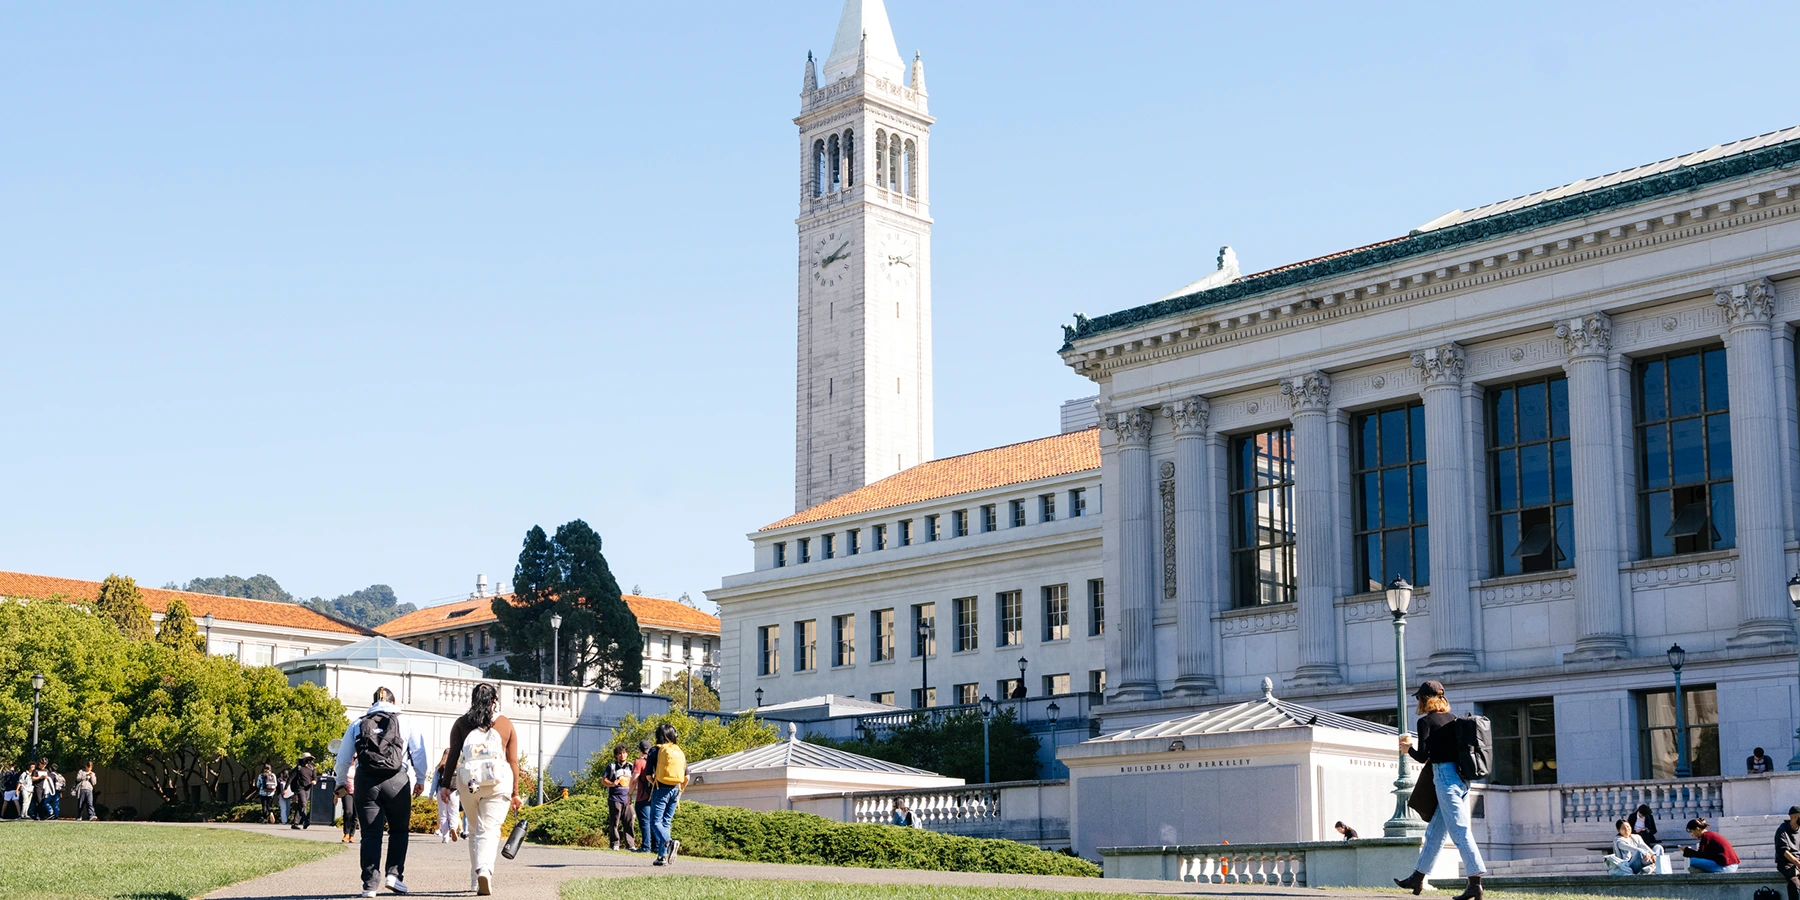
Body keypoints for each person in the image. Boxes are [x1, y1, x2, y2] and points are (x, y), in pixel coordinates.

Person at [1394, 681, 1487, 900]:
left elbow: (1424, 756)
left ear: (1425, 699)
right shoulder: (1454, 720)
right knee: (1435, 832)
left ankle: (1475, 881)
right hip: (1462, 778)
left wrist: (1408, 750)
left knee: (1460, 831)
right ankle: (1417, 877)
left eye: (1418, 698)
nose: (1417, 702)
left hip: (1444, 777)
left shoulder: (1425, 722)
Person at [334, 686, 431, 898]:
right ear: (394, 703)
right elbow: (419, 751)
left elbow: (342, 758)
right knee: (398, 830)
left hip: (366, 781)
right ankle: (394, 876)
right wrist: (421, 779)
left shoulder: (358, 723)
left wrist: (341, 781)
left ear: (372, 703)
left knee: (370, 834)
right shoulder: (405, 721)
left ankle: (369, 885)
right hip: (396, 780)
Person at [442, 683, 521, 896]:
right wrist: (515, 792)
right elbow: (513, 761)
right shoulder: (505, 723)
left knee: (475, 830)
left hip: (470, 783)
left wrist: (445, 785)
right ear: (495, 700)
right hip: (498, 782)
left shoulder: (461, 723)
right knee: (490, 829)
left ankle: (475, 879)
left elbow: (452, 756)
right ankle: (485, 869)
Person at [647, 723, 689, 866]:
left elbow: (647, 775)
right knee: (666, 822)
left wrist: (655, 783)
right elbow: (687, 776)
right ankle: (661, 857)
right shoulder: (679, 751)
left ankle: (669, 842)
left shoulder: (655, 751)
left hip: (661, 789)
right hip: (676, 790)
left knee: (655, 821)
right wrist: (680, 789)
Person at [602, 745, 638, 850]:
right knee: (614, 822)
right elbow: (604, 780)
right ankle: (615, 843)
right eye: (620, 753)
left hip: (627, 798)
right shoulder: (611, 766)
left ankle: (630, 844)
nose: (622, 755)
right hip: (615, 797)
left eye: (624, 753)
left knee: (629, 821)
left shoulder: (631, 766)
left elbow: (635, 780)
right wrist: (613, 783)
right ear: (616, 755)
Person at [431, 749, 461, 844]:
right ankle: (453, 827)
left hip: (441, 792)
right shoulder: (458, 767)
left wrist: (431, 795)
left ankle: (445, 838)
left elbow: (434, 782)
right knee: (454, 813)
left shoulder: (439, 768)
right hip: (454, 792)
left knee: (443, 815)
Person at [632, 739, 655, 852]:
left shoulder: (639, 762)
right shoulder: (654, 761)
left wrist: (629, 794)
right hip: (655, 796)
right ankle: (656, 847)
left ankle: (646, 847)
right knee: (654, 822)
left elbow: (634, 780)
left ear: (640, 750)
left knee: (645, 822)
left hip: (643, 797)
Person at [287, 753, 317, 829]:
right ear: (303, 759)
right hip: (300, 788)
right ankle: (306, 820)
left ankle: (295, 824)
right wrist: (285, 788)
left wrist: (314, 781)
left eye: (309, 758)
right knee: (303, 804)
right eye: (306, 758)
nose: (308, 760)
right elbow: (290, 778)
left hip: (308, 788)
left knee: (301, 806)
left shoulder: (311, 768)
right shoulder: (299, 768)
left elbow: (315, 777)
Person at [1778, 804, 1800, 900]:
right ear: (1795, 817)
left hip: (1798, 863)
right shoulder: (1782, 830)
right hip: (1787, 864)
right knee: (1795, 885)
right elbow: (1784, 852)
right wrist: (1798, 864)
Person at [335, 761, 358, 844]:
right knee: (348, 812)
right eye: (352, 758)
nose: (353, 760)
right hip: (346, 792)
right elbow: (339, 780)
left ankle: (352, 835)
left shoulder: (359, 767)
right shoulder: (345, 768)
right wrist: (336, 796)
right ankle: (346, 833)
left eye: (354, 758)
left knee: (355, 815)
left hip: (357, 792)